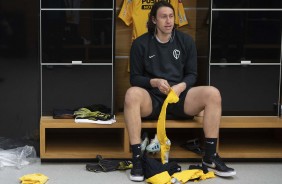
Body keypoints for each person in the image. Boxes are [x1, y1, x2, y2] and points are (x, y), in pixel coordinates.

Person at [123, 1, 236, 182]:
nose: (168, 21)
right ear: (153, 19)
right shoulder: (140, 44)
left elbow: (192, 74)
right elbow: (135, 79)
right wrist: (154, 81)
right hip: (152, 100)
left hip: (179, 98)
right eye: (163, 17)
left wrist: (181, 86)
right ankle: (137, 160)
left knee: (213, 93)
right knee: (131, 94)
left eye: (171, 16)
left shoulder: (185, 41)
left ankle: (210, 157)